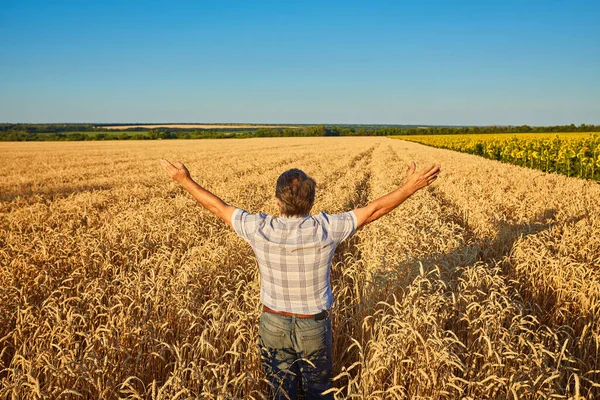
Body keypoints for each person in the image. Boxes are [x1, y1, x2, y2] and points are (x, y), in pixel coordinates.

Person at [160, 158, 441, 399]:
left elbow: (218, 208)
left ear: (277, 201)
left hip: (273, 323)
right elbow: (372, 210)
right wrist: (410, 187)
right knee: (319, 392)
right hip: (313, 326)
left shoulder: (259, 228)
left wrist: (184, 180)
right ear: (311, 200)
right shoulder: (326, 228)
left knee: (280, 391)